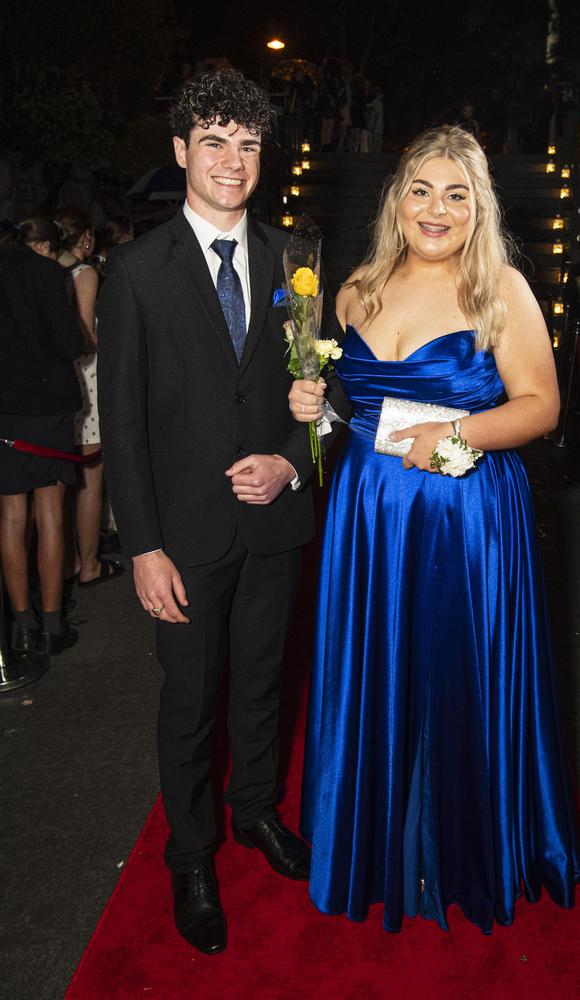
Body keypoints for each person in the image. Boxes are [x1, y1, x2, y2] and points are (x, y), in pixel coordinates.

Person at [289, 125, 580, 933]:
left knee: (458, 670)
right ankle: (374, 837)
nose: (436, 208)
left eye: (457, 194)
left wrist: (456, 435)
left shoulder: (501, 291)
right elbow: (349, 399)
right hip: (366, 516)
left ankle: (463, 849)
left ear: (477, 208)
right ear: (396, 198)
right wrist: (313, 405)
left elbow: (542, 407)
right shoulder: (354, 289)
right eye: (421, 188)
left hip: (464, 513)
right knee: (374, 669)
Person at [97, 68, 350, 956]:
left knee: (262, 685)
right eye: (214, 142)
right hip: (185, 538)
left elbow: (321, 394)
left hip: (274, 525)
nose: (232, 160)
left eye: (247, 144)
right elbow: (122, 427)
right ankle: (192, 855)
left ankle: (255, 815)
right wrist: (144, 548)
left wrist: (291, 464)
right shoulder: (134, 272)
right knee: (189, 702)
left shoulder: (297, 260)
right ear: (180, 152)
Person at [0, 217, 84, 654]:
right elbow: (70, 341)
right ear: (46, 246)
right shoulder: (47, 273)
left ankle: (23, 623)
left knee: (12, 515)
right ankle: (51, 624)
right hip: (47, 401)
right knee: (50, 512)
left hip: (4, 407)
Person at [56, 207, 123, 588]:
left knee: (65, 479)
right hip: (88, 377)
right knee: (90, 478)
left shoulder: (50, 269)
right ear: (85, 239)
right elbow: (86, 336)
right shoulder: (84, 274)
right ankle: (89, 563)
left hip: (62, 378)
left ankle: (66, 559)